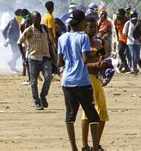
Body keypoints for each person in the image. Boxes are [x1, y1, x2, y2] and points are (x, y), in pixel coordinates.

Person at [57, 10, 101, 151]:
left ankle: (74, 148)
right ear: (82, 23)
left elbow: (59, 62)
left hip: (67, 81)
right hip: (82, 81)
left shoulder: (62, 38)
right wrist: (100, 56)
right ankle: (94, 147)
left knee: (70, 116)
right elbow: (86, 59)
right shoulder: (83, 38)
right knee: (93, 116)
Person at [81, 17, 110, 151]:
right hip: (88, 78)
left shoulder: (97, 42)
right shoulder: (83, 42)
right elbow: (85, 62)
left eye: (95, 27)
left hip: (97, 79)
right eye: (90, 27)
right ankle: (86, 145)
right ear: (84, 28)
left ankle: (95, 143)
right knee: (89, 112)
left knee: (100, 112)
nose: (93, 29)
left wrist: (106, 64)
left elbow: (104, 55)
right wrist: (99, 64)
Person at [17, 11, 53, 110]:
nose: (38, 19)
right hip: (33, 58)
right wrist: (24, 57)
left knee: (48, 77)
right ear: (32, 19)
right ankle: (37, 101)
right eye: (36, 18)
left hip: (45, 57)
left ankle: (43, 95)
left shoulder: (44, 28)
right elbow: (19, 42)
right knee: (33, 82)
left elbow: (49, 43)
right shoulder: (29, 30)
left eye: (39, 17)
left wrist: (53, 56)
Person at [123, 10, 141, 74]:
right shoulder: (128, 23)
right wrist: (129, 36)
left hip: (138, 42)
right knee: (134, 55)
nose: (134, 17)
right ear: (131, 16)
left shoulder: (139, 22)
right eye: (133, 15)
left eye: (135, 15)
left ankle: (134, 68)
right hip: (130, 42)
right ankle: (133, 68)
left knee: (137, 56)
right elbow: (124, 32)